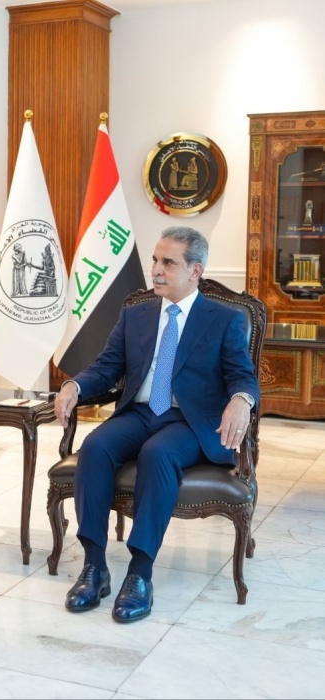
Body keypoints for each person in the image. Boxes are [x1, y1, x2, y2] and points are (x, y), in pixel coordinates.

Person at [53, 225, 258, 623]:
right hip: (141, 412)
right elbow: (106, 367)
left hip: (189, 420)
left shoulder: (224, 319)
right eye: (155, 260)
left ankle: (140, 574)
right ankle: (94, 566)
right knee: (95, 447)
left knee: (158, 453)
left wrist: (240, 400)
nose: (157, 270)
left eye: (168, 262)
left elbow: (242, 376)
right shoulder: (136, 314)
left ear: (195, 270)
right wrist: (74, 385)